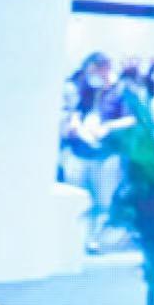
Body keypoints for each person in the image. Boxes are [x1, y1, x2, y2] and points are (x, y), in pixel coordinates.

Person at [60, 52, 129, 253]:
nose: (91, 76)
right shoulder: (88, 91)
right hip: (80, 151)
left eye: (94, 71)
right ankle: (75, 240)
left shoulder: (122, 91)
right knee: (78, 198)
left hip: (105, 155)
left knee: (102, 200)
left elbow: (131, 118)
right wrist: (74, 123)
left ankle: (95, 240)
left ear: (105, 68)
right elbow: (77, 111)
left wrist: (108, 127)